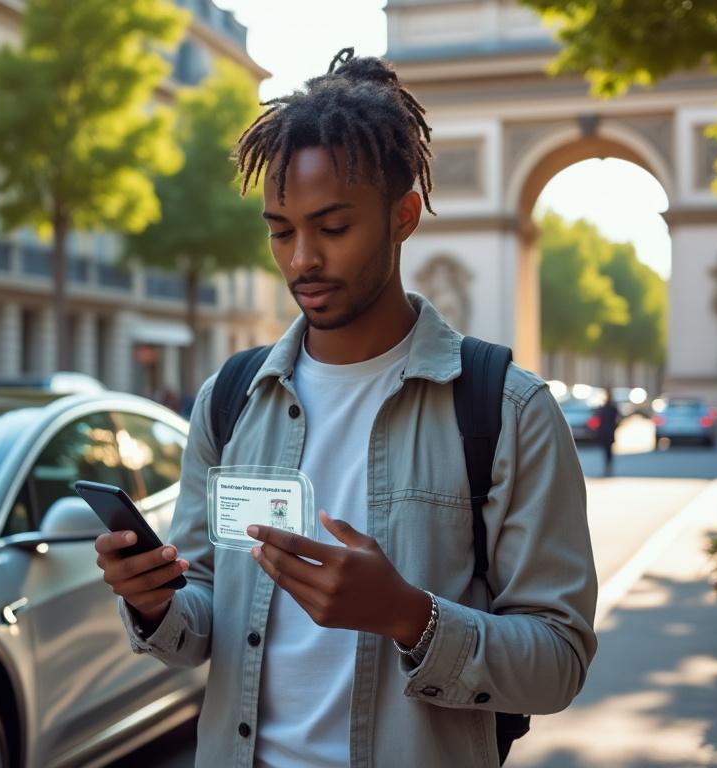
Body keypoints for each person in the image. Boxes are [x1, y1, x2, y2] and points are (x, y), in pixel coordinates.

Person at [93, 49, 596, 767]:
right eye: (281, 230)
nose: (301, 260)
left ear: (404, 216)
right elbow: (202, 617)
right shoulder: (231, 400)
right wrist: (154, 602)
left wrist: (407, 615)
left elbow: (559, 660)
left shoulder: (507, 410)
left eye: (332, 228)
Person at [594, 392, 620, 477]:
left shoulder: (607, 409)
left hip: (606, 432)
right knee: (608, 451)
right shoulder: (611, 409)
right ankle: (608, 467)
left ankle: (608, 467)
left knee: (607, 451)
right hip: (608, 432)